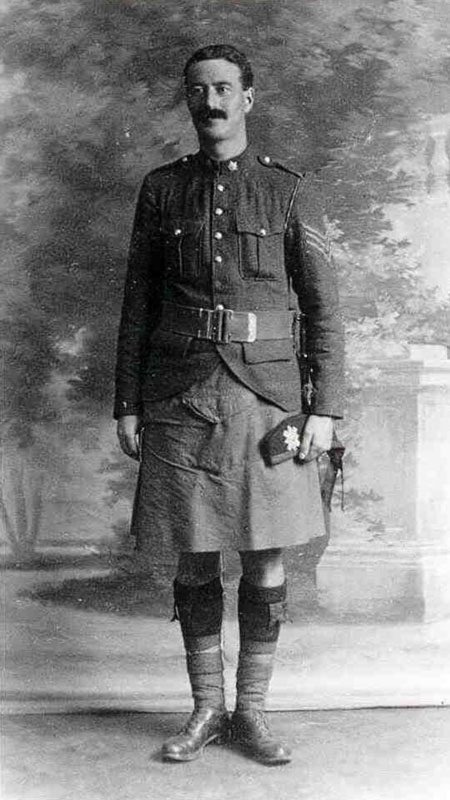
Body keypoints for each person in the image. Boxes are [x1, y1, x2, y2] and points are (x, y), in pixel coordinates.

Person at [114, 43, 344, 765]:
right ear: (188, 100)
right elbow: (138, 305)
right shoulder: (162, 189)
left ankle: (253, 714)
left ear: (249, 96)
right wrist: (127, 401)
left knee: (266, 560)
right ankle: (206, 710)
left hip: (266, 399)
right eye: (197, 89)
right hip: (180, 394)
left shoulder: (287, 190)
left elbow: (325, 311)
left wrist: (325, 408)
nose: (209, 101)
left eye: (222, 88)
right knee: (193, 561)